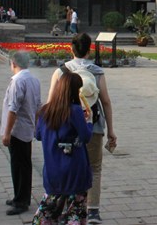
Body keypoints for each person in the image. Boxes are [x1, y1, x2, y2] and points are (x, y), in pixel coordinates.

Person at [47, 33, 117, 224]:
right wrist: (111, 130)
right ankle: (92, 210)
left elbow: (51, 101)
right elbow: (106, 101)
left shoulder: (61, 71)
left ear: (71, 49)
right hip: (92, 125)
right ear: (89, 50)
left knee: (67, 165)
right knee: (94, 167)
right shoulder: (97, 72)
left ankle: (65, 206)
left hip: (66, 127)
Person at [33, 71, 93, 224]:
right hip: (74, 169)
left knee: (48, 209)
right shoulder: (75, 110)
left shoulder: (45, 110)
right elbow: (86, 136)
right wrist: (89, 122)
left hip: (52, 169)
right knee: (75, 210)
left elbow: (38, 135)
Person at [1, 50, 41, 215]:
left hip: (17, 130)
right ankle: (21, 196)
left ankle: (21, 201)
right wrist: (36, 125)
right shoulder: (34, 80)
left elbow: (13, 109)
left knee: (19, 166)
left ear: (13, 63)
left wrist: (7, 133)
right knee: (23, 164)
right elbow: (38, 106)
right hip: (27, 128)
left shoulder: (18, 81)